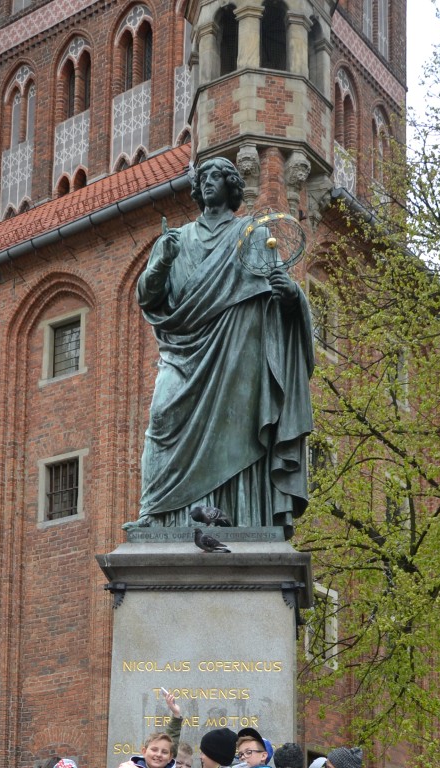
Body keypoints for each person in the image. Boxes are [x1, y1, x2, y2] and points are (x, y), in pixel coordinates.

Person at [132, 156, 313, 530]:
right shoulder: (177, 239)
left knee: (236, 435)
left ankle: (242, 516)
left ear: (231, 186)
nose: (209, 181)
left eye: (217, 176)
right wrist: (161, 262)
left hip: (238, 351)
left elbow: (276, 297)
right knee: (161, 416)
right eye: (204, 177)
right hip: (183, 351)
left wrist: (292, 296)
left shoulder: (253, 235)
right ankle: (155, 511)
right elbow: (148, 297)